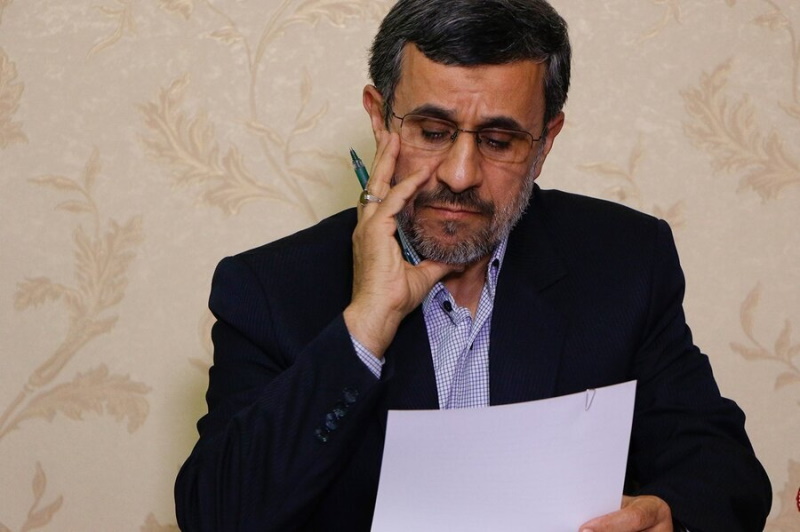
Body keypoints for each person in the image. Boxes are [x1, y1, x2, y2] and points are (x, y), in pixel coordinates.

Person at [174, 0, 772, 530]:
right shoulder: (268, 289)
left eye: (498, 141)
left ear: (545, 142)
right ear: (380, 119)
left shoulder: (624, 260)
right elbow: (218, 515)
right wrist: (366, 326)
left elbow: (723, 472)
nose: (460, 175)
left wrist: (667, 516)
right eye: (433, 131)